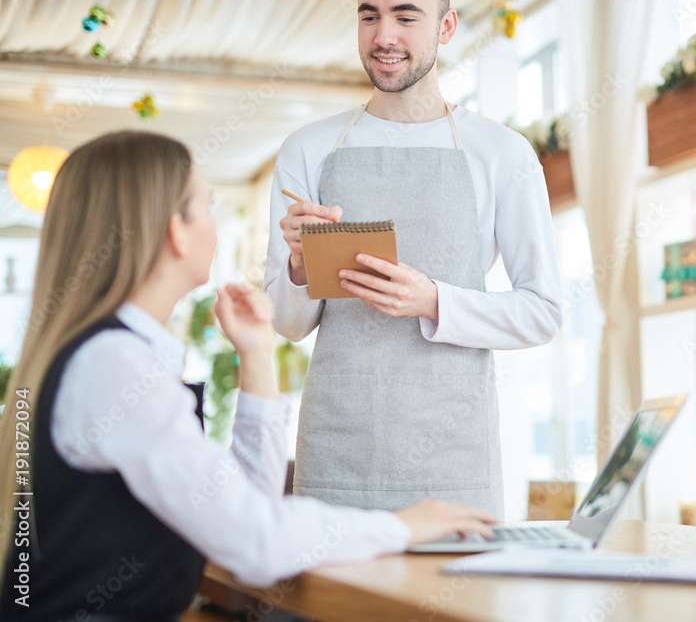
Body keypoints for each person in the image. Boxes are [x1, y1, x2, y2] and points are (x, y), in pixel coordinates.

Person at [0, 131, 495, 620]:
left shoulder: (108, 356)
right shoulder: (113, 366)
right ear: (176, 230)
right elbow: (256, 543)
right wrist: (402, 527)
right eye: (208, 206)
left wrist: (256, 355)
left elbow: (246, 509)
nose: (214, 225)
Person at [264, 0, 562, 519]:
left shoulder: (502, 153)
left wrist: (433, 300)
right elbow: (288, 324)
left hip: (453, 459)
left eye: (406, 17)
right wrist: (299, 268)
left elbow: (543, 311)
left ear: (446, 27)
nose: (384, 37)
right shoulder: (306, 149)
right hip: (337, 452)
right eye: (369, 17)